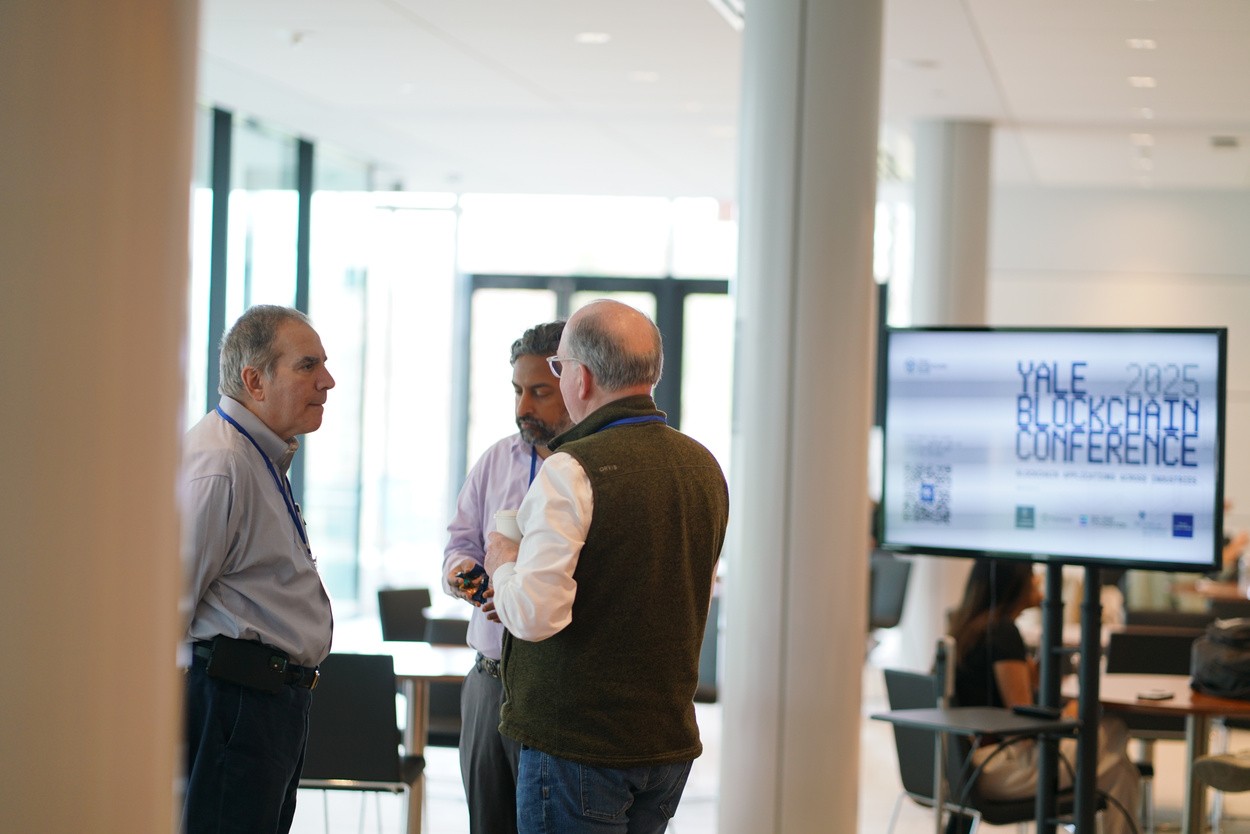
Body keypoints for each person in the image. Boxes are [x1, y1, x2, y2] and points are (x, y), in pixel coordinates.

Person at [484, 299, 730, 834]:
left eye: (558, 367)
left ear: (584, 377)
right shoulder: (703, 466)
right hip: (665, 743)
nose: (559, 377)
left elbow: (532, 616)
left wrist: (503, 563)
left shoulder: (572, 469)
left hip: (579, 745)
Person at [179, 304, 336, 834]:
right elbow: (166, 608)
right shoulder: (221, 465)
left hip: (264, 704)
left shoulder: (253, 454)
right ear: (254, 380)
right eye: (308, 366)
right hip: (236, 703)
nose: (327, 381)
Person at [441, 320, 572, 834]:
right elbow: (459, 545)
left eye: (539, 392)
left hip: (554, 688)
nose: (523, 407)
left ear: (577, 384)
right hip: (488, 681)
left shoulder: (590, 468)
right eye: (518, 391)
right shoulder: (497, 459)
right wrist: (468, 577)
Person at [949, 560, 1140, 834]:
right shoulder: (1002, 633)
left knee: (1119, 773)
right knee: (1112, 730)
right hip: (998, 769)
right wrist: (1074, 713)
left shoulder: (969, 630)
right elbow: (1025, 722)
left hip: (970, 766)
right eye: (1033, 576)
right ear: (1015, 585)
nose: (1039, 581)